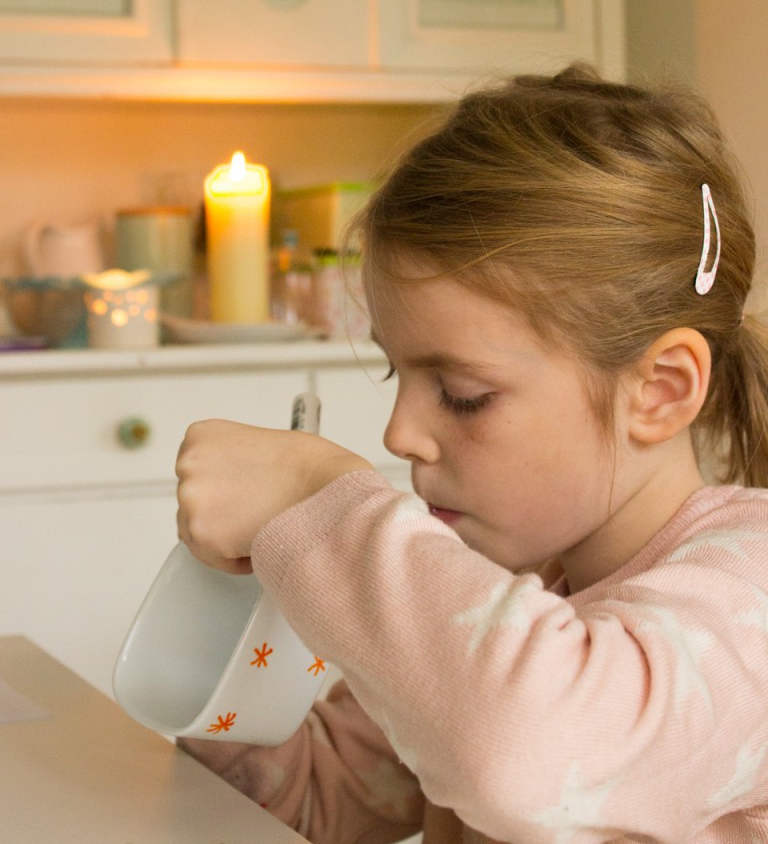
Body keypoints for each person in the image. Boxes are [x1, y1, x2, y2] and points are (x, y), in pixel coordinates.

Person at [175, 64, 768, 844]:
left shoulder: (747, 596)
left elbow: (527, 754)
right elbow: (323, 796)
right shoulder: (498, 586)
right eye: (397, 372)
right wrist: (234, 626)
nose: (399, 434)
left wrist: (318, 498)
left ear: (657, 391)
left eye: (461, 393)